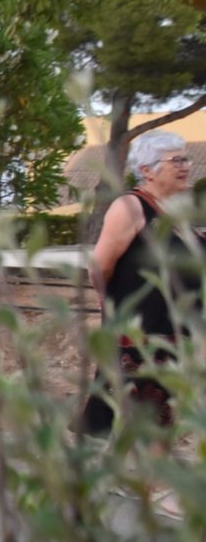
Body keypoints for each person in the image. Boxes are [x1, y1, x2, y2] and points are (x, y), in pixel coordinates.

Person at [87, 130, 199, 520]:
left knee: (143, 407)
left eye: (186, 159)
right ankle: (158, 488)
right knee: (155, 409)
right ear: (148, 170)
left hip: (174, 331)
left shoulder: (177, 212)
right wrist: (113, 307)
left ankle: (117, 474)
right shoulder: (132, 207)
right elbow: (100, 264)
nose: (187, 166)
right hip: (138, 332)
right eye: (177, 160)